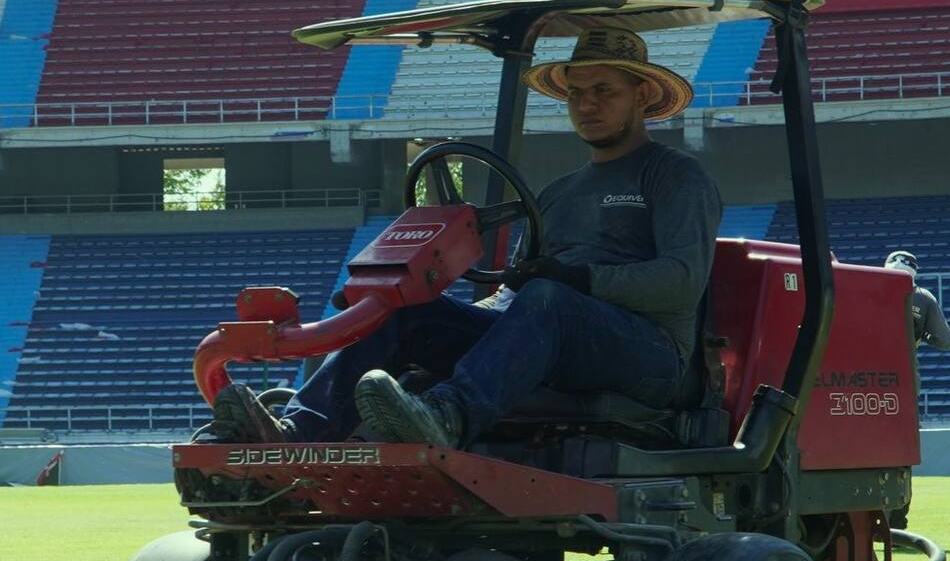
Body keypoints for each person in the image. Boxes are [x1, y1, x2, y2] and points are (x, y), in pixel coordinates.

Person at [205, 29, 722, 448]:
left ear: (643, 95)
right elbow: (520, 293)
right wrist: (471, 298)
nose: (586, 104)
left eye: (604, 91)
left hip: (650, 358)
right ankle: (297, 430)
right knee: (409, 312)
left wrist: (578, 279)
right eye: (577, 93)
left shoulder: (672, 176)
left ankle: (448, 415)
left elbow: (681, 282)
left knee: (548, 298)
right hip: (557, 332)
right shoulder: (561, 192)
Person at [883, 250, 950, 529]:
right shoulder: (923, 298)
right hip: (904, 382)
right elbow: (945, 340)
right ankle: (898, 521)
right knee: (902, 451)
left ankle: (868, 519)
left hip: (861, 381)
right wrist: (920, 334)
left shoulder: (868, 286)